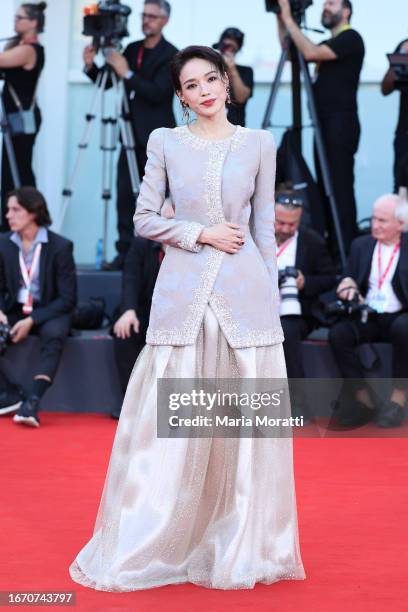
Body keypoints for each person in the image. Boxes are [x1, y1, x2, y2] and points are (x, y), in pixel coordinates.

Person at [69, 45, 306, 591]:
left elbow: (265, 226)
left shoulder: (260, 144)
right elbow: (145, 218)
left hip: (246, 295)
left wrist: (269, 294)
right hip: (182, 293)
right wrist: (199, 233)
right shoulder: (164, 142)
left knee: (243, 428)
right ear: (179, 96)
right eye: (190, 85)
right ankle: (160, 538)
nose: (203, 91)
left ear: (226, 82)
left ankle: (242, 544)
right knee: (170, 427)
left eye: (210, 79)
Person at [83, 0, 178, 270]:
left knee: (156, 197)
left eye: (152, 16)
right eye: (144, 15)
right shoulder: (132, 48)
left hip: (155, 138)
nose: (146, 20)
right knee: (124, 195)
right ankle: (124, 252)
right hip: (127, 136)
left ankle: (153, 255)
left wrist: (128, 72)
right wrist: (91, 67)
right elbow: (110, 82)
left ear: (164, 21)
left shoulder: (171, 54)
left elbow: (158, 92)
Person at [277, 0, 365, 255]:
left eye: (332, 3)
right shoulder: (327, 41)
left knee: (338, 187)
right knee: (327, 189)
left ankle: (346, 253)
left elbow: (311, 53)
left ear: (346, 10)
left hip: (340, 122)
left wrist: (290, 20)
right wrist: (281, 17)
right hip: (323, 123)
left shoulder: (351, 38)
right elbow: (290, 48)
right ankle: (332, 248)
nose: (325, 7)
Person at [329, 194, 408, 428]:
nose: (375, 225)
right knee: (339, 334)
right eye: (374, 219)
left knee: (405, 328)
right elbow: (348, 276)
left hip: (400, 314)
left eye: (383, 221)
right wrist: (347, 285)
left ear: (401, 224)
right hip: (368, 314)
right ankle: (363, 400)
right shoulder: (361, 244)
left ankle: (398, 399)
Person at [0, 187, 77, 428]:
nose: (8, 215)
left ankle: (32, 402)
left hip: (49, 309)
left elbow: (68, 298)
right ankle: (9, 394)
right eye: (7, 210)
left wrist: (32, 320)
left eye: (15, 210)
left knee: (55, 332)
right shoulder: (3, 244)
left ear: (33, 212)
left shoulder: (60, 246)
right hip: (14, 308)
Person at [111, 199, 174, 419]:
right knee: (125, 331)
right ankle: (130, 403)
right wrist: (128, 310)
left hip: (179, 315)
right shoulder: (142, 244)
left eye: (173, 221)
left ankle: (165, 406)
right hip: (145, 310)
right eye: (163, 220)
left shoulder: (192, 248)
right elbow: (130, 278)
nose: (167, 226)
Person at [275, 184, 336, 385]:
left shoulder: (312, 241)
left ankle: (296, 399)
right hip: (257, 307)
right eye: (280, 222)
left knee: (286, 331)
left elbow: (329, 278)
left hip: (297, 311)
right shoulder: (254, 236)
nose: (286, 229)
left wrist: (305, 282)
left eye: (292, 225)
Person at [0, 2, 46, 229]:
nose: (15, 21)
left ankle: (28, 220)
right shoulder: (18, 46)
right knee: (11, 171)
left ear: (33, 23)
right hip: (15, 119)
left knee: (18, 171)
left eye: (20, 18)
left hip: (22, 119)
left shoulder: (31, 49)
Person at [381, 39, 408, 193]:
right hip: (404, 133)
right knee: (400, 185)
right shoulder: (405, 45)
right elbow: (385, 88)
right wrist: (402, 57)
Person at [212, 27, 253, 126]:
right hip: (211, 129)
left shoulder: (246, 71)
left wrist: (232, 69)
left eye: (232, 48)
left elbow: (241, 98)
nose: (229, 51)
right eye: (226, 46)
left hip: (236, 130)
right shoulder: (210, 70)